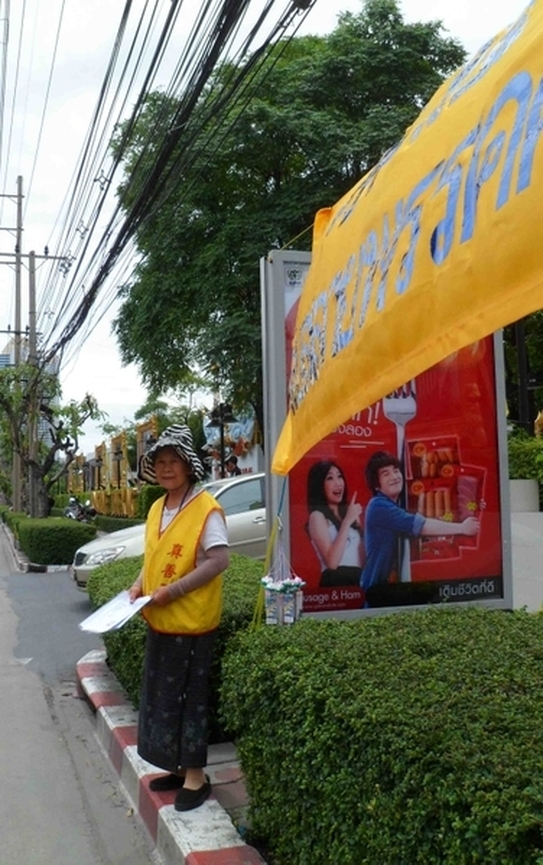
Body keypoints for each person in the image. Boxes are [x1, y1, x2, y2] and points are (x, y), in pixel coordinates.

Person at [129, 424, 229, 812]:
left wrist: (174, 591)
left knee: (189, 699)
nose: (167, 468)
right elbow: (153, 557)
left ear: (189, 465)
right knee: (163, 698)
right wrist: (138, 586)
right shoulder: (157, 507)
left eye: (174, 461)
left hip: (192, 623)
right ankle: (175, 765)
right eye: (160, 462)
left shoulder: (206, 509)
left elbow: (219, 561)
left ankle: (196, 777)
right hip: (160, 620)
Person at [361, 451, 479, 594]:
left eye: (396, 471)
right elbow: (421, 526)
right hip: (377, 590)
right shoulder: (379, 506)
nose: (394, 477)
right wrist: (462, 528)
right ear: (376, 485)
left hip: (386, 588)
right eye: (386, 474)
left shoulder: (392, 503)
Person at [306, 460, 364, 587]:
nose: (338, 483)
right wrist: (347, 521)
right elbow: (332, 563)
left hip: (358, 580)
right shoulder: (317, 516)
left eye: (339, 476)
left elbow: (362, 558)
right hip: (336, 583)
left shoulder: (350, 512)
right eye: (330, 478)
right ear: (319, 485)